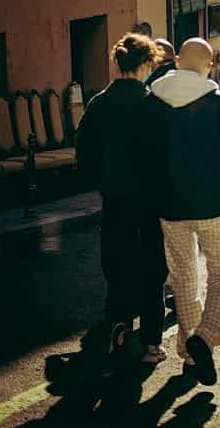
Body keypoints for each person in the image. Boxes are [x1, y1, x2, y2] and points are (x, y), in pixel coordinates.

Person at [143, 38, 220, 386]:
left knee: (183, 279)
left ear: (177, 62)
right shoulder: (218, 103)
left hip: (170, 207)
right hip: (214, 205)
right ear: (206, 66)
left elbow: (145, 153)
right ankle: (204, 339)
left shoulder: (153, 102)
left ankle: (190, 356)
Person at [76, 33, 168, 368]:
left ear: (118, 63)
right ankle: (151, 344)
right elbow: (166, 153)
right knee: (153, 268)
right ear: (145, 64)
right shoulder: (153, 103)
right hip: (151, 200)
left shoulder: (99, 103)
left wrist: (99, 179)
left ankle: (118, 329)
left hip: (115, 196)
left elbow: (84, 150)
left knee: (117, 265)